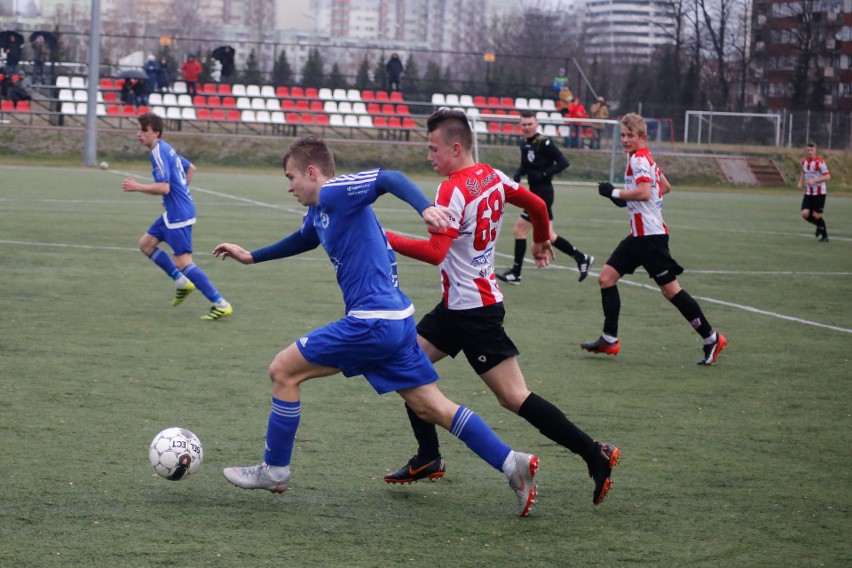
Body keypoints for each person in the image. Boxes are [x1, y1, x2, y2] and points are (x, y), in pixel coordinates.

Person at [210, 136, 541, 517]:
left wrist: (427, 208)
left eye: (291, 177)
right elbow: (304, 238)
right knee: (431, 406)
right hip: (396, 322)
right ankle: (512, 463)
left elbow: (389, 177)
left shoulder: (335, 191)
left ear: (312, 172)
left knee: (282, 371)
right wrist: (251, 256)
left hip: (371, 322)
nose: (289, 187)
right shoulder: (319, 211)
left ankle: (275, 470)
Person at [382, 109, 620, 506]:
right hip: (458, 305)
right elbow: (538, 206)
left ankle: (594, 453)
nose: (429, 157)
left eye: (433, 149)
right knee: (402, 363)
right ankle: (428, 457)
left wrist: (383, 236)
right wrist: (542, 238)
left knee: (514, 397)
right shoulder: (492, 176)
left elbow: (436, 252)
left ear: (456, 148)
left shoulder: (451, 190)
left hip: (473, 312)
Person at [585, 113, 726, 366]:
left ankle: (711, 338)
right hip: (638, 236)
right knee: (606, 278)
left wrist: (614, 192)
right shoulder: (644, 158)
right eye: (623, 135)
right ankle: (609, 339)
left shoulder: (639, 160)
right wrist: (628, 199)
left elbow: (645, 191)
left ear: (643, 137)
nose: (625, 140)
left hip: (650, 238)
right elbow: (665, 187)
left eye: (630, 136)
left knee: (671, 291)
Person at [121, 112, 233, 321]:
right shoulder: (166, 148)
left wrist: (137, 186)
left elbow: (164, 187)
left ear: (156, 132)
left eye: (143, 130)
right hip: (176, 212)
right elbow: (191, 168)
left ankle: (220, 303)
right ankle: (181, 283)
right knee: (146, 244)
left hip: (178, 215)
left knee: (183, 263)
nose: (139, 134)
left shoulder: (158, 152)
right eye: (139, 130)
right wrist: (178, 193)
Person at [496, 110, 594, 284]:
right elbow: (526, 164)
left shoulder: (545, 143)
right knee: (549, 235)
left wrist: (545, 173)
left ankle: (516, 273)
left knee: (519, 229)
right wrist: (518, 174)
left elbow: (564, 162)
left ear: (537, 124)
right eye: (524, 124)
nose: (527, 127)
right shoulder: (524, 143)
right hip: (535, 193)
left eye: (530, 124)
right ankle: (581, 258)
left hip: (543, 194)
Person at [796, 141, 831, 242]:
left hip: (819, 193)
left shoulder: (820, 162)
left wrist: (814, 180)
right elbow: (803, 171)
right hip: (809, 193)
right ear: (805, 151)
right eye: (808, 150)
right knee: (805, 214)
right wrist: (800, 182)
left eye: (812, 150)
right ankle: (819, 225)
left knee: (816, 215)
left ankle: (825, 236)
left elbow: (828, 176)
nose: (810, 152)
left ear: (815, 151)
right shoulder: (804, 162)